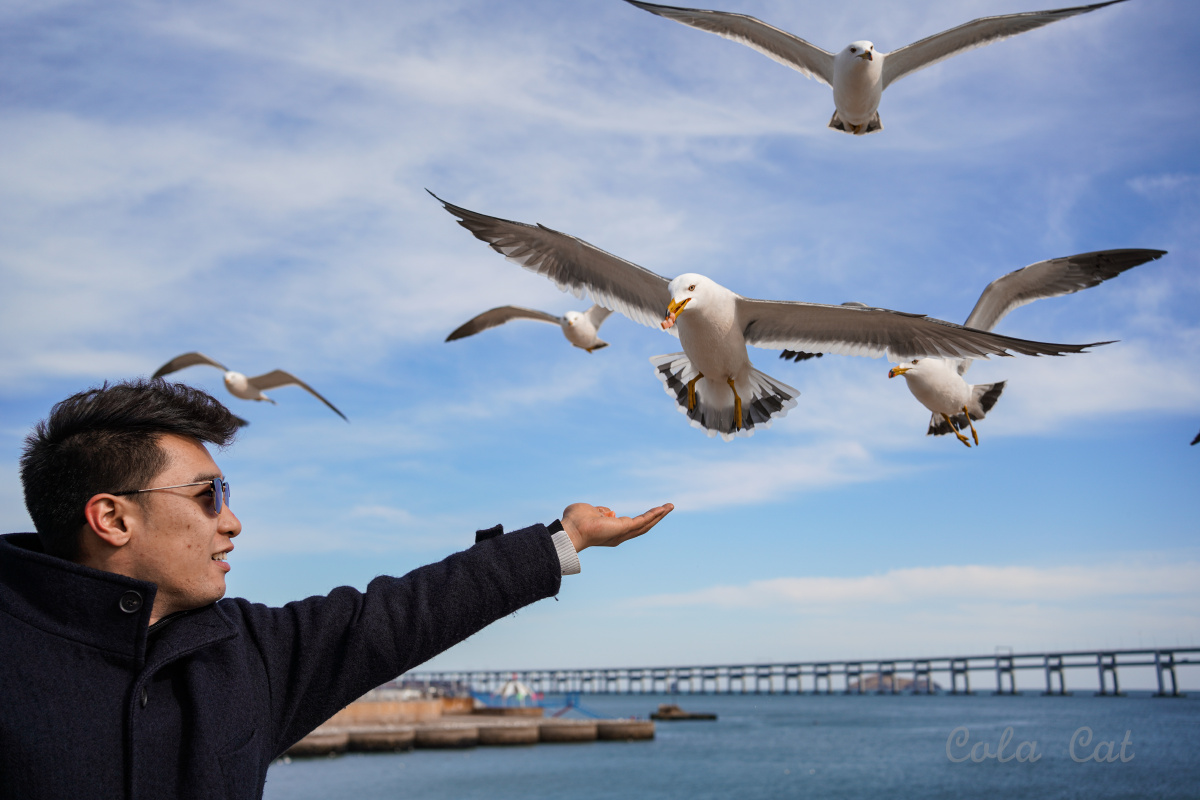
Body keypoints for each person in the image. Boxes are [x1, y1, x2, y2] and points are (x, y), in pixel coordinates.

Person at [1, 379, 672, 800]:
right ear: (113, 518)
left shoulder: (244, 653)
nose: (232, 521)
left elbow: (404, 614)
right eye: (209, 495)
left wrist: (565, 538)